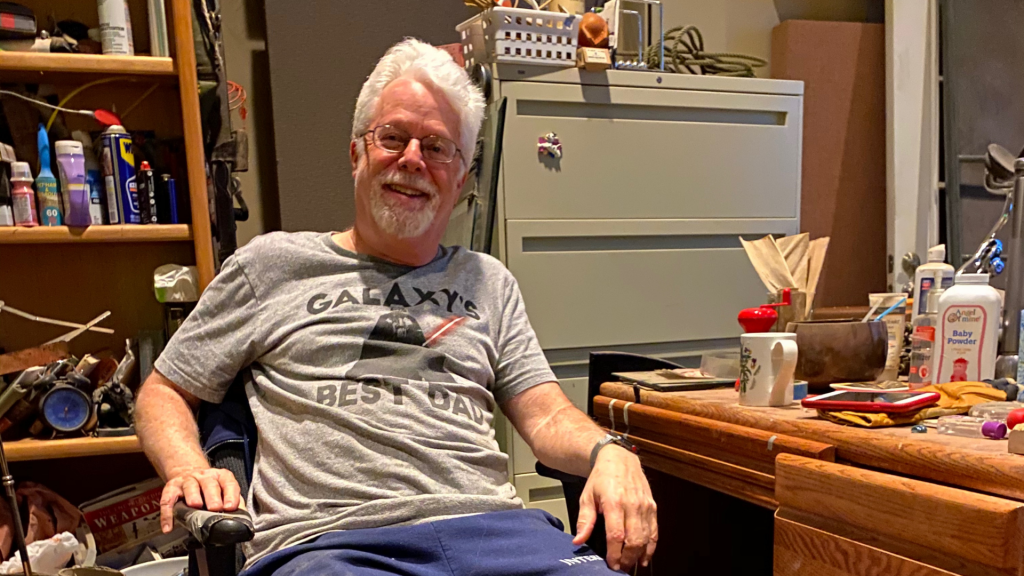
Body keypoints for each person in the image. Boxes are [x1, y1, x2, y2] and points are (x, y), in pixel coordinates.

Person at [135, 38, 657, 576]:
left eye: (437, 147)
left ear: (460, 176)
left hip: (498, 535)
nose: (413, 160)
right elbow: (163, 390)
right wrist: (188, 466)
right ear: (356, 153)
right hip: (334, 546)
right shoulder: (270, 266)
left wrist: (610, 451)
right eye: (393, 138)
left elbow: (547, 413)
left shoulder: (489, 282)